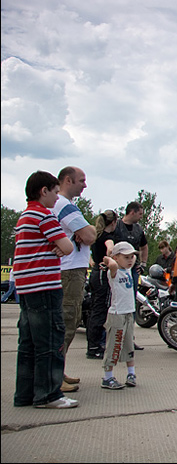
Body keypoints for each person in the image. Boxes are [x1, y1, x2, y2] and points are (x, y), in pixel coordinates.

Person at [13, 170, 78, 408]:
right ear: (44, 191)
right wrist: (62, 244)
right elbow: (67, 246)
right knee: (51, 341)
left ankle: (25, 393)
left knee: (28, 342)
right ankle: (49, 395)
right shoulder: (44, 216)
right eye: (54, 192)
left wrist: (58, 244)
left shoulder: (24, 216)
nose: (56, 197)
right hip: (45, 286)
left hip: (26, 287)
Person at [52, 166, 97, 392]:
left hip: (71, 270)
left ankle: (58, 371)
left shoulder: (64, 206)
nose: (85, 185)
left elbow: (87, 234)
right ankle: (54, 377)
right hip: (69, 272)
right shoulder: (64, 206)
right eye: (81, 180)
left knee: (70, 318)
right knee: (67, 320)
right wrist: (86, 229)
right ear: (68, 180)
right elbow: (89, 236)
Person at [100, 241, 140, 390]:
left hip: (129, 312)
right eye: (126, 257)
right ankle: (108, 376)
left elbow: (129, 261)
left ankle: (131, 373)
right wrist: (110, 255)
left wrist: (123, 258)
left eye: (132, 257)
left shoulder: (129, 270)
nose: (130, 260)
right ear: (117, 258)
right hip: (117, 313)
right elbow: (110, 263)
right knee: (114, 345)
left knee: (129, 344)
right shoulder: (114, 271)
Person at [114, 201, 149, 349]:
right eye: (140, 214)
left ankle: (129, 338)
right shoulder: (116, 227)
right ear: (132, 212)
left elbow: (144, 246)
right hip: (117, 270)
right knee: (116, 302)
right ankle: (114, 337)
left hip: (132, 270)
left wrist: (143, 263)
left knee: (131, 304)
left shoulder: (138, 229)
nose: (141, 217)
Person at [86, 210, 118, 359]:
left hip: (94, 274)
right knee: (100, 310)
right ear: (113, 223)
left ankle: (93, 344)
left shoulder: (96, 237)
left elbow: (90, 254)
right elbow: (110, 248)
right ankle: (94, 346)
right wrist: (110, 259)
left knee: (94, 310)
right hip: (101, 276)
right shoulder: (107, 237)